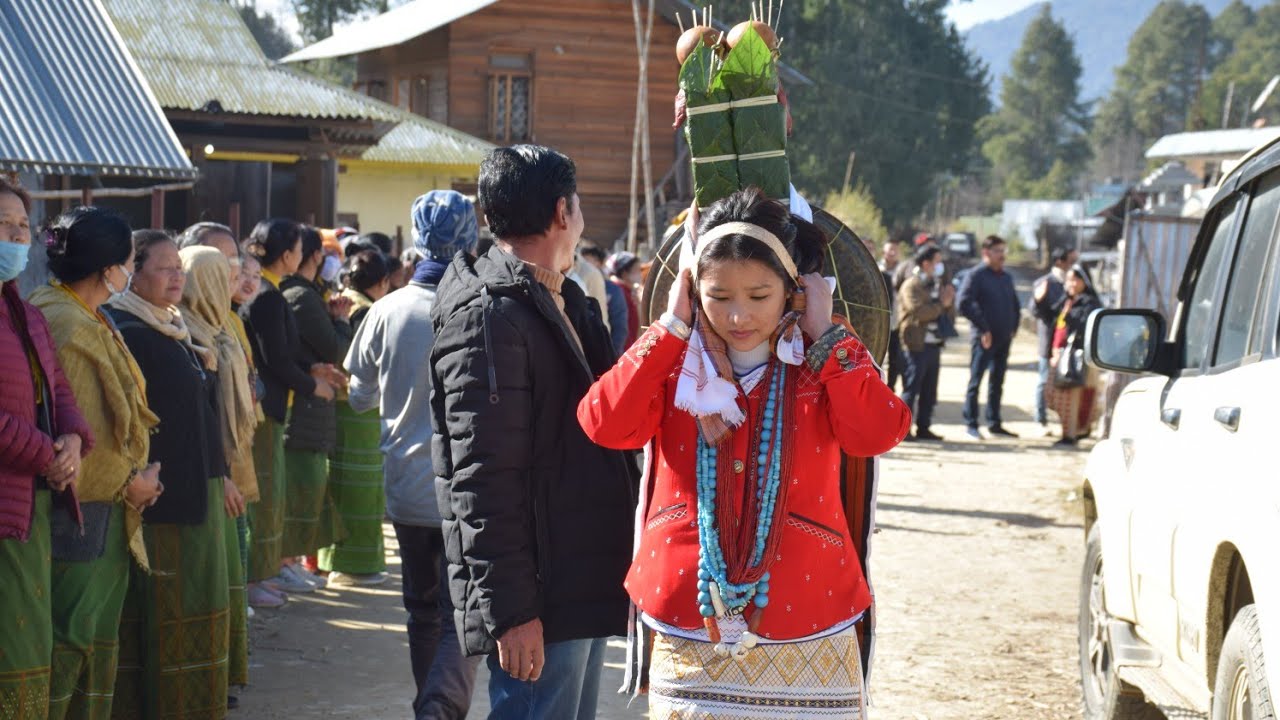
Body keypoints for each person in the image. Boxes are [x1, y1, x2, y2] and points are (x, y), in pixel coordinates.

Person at [578, 188, 910, 719]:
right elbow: (604, 424)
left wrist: (824, 333)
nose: (738, 316)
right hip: (690, 611)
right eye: (718, 295)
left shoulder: (823, 355)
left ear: (794, 290)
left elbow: (877, 433)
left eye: (759, 296)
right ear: (690, 289)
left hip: (810, 613)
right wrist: (668, 328)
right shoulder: (671, 359)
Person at [429, 146, 636, 719]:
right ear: (562, 213)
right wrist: (513, 612)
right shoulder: (488, 315)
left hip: (577, 570)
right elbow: (482, 479)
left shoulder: (561, 296)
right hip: (540, 589)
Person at [346, 189, 482, 719]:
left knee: (422, 609)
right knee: (462, 613)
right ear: (471, 239)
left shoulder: (386, 310)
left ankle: (427, 701)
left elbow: (359, 396)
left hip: (404, 485)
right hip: (465, 490)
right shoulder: (479, 306)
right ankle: (437, 710)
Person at [30, 208, 163, 720]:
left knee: (90, 634)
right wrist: (129, 481)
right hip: (83, 503)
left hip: (102, 501)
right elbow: (79, 430)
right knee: (73, 635)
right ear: (108, 268)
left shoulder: (76, 311)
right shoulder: (66, 322)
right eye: (130, 261)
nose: (127, 271)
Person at [107, 230, 232, 720]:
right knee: (165, 614)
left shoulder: (171, 327)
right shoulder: (127, 330)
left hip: (192, 488)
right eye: (163, 268)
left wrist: (219, 473)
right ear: (131, 274)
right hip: (159, 499)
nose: (176, 276)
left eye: (178, 268)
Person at [0, 185, 96, 720]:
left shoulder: (25, 312)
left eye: (21, 227)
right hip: (10, 495)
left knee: (30, 643)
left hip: (30, 503)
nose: (15, 236)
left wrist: (75, 440)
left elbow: (58, 389)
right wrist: (47, 453)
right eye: (3, 224)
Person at [239, 219, 338, 604]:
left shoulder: (272, 291)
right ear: (286, 255)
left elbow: (286, 352)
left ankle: (267, 571)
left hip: (272, 405)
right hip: (263, 408)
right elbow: (275, 360)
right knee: (264, 494)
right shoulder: (264, 295)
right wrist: (314, 385)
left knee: (271, 492)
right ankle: (257, 575)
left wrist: (312, 369)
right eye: (299, 248)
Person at [178, 245, 255, 698]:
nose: (234, 284)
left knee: (227, 582)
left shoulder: (219, 328)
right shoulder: (185, 334)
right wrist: (221, 474)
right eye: (222, 277)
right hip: (207, 477)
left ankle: (222, 675)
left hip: (225, 469)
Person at [279, 227, 350, 582]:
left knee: (305, 489)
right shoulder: (301, 297)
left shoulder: (306, 293)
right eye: (325, 254)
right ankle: (284, 562)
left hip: (310, 406)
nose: (329, 261)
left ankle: (290, 562)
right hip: (305, 408)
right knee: (299, 490)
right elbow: (334, 349)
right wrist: (341, 322)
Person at [318, 249, 390, 586]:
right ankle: (354, 565)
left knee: (340, 485)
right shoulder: (369, 311)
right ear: (382, 282)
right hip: (361, 407)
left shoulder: (339, 302)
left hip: (337, 402)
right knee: (361, 488)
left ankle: (331, 559)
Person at [957, 235, 1021, 440]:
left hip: (1004, 338)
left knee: (997, 382)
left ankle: (994, 422)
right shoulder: (976, 275)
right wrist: (984, 328)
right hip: (984, 338)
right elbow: (964, 303)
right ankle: (971, 423)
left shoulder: (1005, 277)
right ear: (986, 253)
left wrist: (1014, 326)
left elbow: (1015, 304)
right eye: (997, 251)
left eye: (1003, 251)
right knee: (976, 381)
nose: (1002, 255)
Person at [897, 244, 955, 442]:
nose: (940, 266)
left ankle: (924, 427)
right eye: (937, 261)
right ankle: (903, 429)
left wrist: (946, 304)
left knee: (929, 390)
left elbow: (948, 310)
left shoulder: (937, 285)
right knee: (911, 388)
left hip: (933, 343)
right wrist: (941, 305)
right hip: (915, 343)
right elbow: (919, 312)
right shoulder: (911, 285)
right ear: (926, 263)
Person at [1044, 265, 1104, 447]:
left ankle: (1070, 435)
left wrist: (1070, 313)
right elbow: (1051, 318)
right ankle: (1074, 431)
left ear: (1084, 282)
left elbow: (1083, 325)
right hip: (1060, 356)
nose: (1069, 284)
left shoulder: (1090, 303)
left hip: (1077, 357)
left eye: (1074, 280)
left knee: (1073, 397)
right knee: (1054, 394)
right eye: (1068, 280)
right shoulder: (1068, 300)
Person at [1031, 246, 1078, 431]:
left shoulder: (1072, 283)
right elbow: (1035, 310)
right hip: (1048, 341)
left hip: (1067, 342)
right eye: (1070, 261)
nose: (1072, 265)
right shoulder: (1045, 283)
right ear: (1060, 261)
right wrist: (1039, 299)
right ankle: (1040, 418)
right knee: (1044, 380)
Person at [581, 244, 629, 355]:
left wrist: (613, 354)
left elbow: (619, 327)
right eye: (583, 262)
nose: (586, 266)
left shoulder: (613, 290)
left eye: (589, 261)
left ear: (600, 263)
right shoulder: (578, 283)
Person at [879, 240, 904, 391]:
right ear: (884, 252)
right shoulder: (875, 268)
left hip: (895, 321)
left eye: (895, 250)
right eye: (890, 250)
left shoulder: (904, 270)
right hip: (879, 321)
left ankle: (890, 389)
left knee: (895, 359)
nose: (892, 253)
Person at [606, 250, 642, 350]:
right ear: (624, 273)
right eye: (637, 270)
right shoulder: (619, 292)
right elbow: (620, 329)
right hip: (622, 350)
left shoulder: (628, 291)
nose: (640, 274)